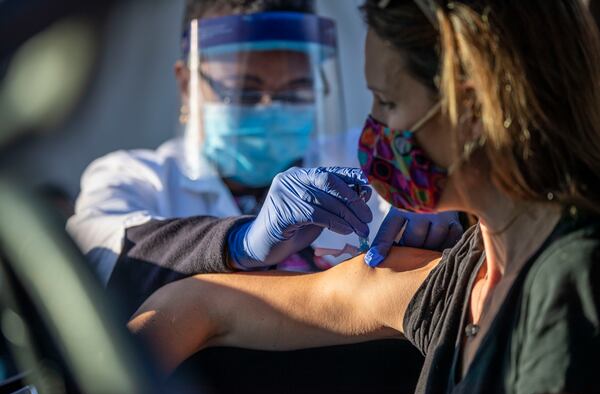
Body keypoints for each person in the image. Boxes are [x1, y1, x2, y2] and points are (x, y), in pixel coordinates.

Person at [128, 0, 600, 394]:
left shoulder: (571, 279)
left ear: (472, 111)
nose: (371, 129)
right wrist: (242, 243)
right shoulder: (466, 273)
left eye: (387, 103)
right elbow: (201, 304)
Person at [66, 0, 461, 314]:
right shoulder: (133, 178)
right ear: (186, 84)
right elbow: (99, 257)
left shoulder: (361, 157)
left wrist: (445, 207)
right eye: (244, 90)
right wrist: (239, 243)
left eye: (297, 90)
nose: (272, 107)